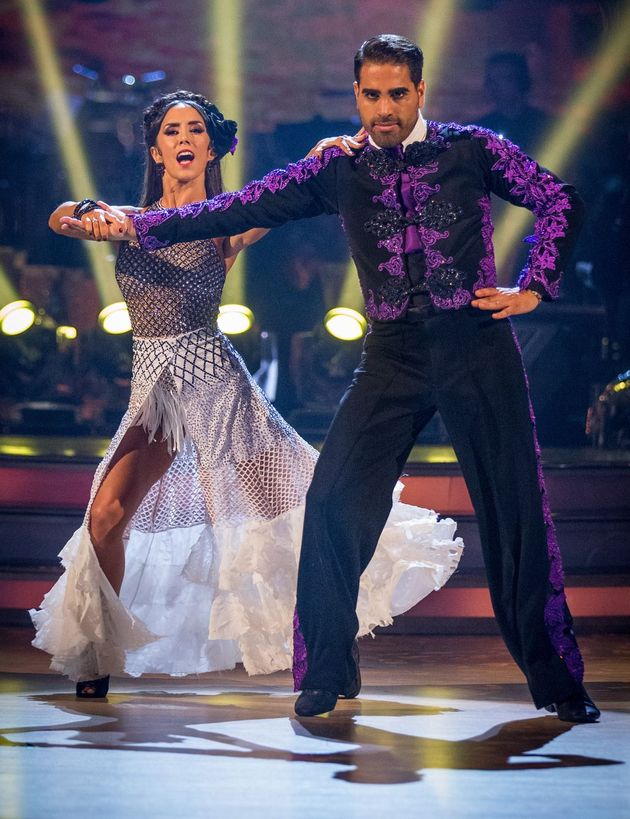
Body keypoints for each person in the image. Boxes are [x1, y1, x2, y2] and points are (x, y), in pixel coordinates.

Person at [101, 36, 601, 724]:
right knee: (333, 502)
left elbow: (557, 196)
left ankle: (558, 681)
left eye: (398, 94)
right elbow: (238, 206)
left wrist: (537, 285)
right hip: (392, 353)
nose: (384, 108)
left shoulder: (470, 148)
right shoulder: (340, 170)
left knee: (515, 512)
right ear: (357, 94)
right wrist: (140, 224)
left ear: (419, 92)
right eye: (372, 95)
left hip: (476, 344)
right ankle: (327, 672)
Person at [32, 89, 464, 697]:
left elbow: (284, 200)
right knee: (105, 516)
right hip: (155, 392)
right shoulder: (129, 220)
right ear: (155, 150)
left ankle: (329, 646)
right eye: (172, 131)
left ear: (210, 147)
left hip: (217, 388)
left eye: (195, 131)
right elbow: (58, 219)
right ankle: (96, 657)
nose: (184, 139)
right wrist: (83, 207)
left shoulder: (227, 219)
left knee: (290, 519)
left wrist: (321, 153)